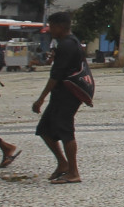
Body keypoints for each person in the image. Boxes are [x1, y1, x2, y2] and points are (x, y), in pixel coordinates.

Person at [30, 11, 87, 183]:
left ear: (60, 27)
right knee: (44, 129)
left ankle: (73, 171)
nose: (49, 30)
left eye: (52, 26)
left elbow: (56, 75)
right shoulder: (69, 42)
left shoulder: (67, 45)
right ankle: (63, 164)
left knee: (66, 131)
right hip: (63, 94)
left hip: (67, 94)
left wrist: (41, 98)